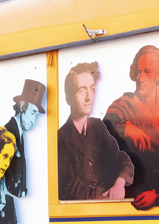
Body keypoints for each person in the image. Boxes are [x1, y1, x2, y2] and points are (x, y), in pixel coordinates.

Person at [103, 45, 159, 210]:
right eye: (138, 72)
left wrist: (158, 194)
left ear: (158, 75)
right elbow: (104, 131)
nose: (141, 78)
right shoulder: (123, 105)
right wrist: (126, 127)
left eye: (147, 71)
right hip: (125, 202)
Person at [57, 62, 134, 201]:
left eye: (91, 89)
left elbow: (122, 159)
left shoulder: (98, 126)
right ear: (68, 97)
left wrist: (119, 183)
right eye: (81, 90)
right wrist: (108, 197)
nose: (88, 97)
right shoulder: (60, 137)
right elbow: (71, 189)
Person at [0, 79, 45, 224]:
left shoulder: (18, 133)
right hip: (4, 206)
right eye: (33, 112)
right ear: (21, 106)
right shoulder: (7, 133)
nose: (33, 121)